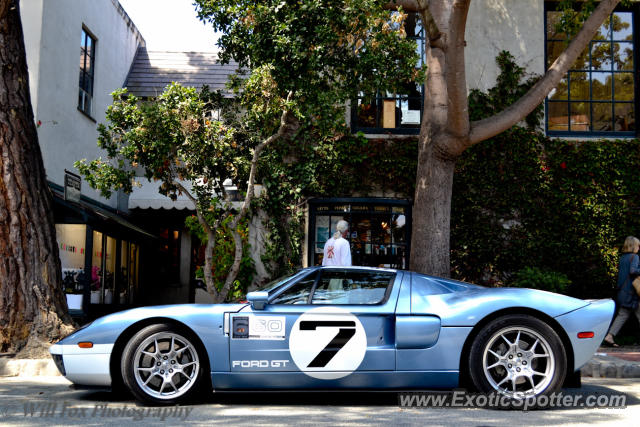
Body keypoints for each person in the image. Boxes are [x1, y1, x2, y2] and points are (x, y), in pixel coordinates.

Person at [604, 236, 640, 347]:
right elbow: (633, 271)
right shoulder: (635, 257)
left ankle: (609, 336)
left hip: (622, 292)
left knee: (623, 314)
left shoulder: (623, 258)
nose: (639, 247)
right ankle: (609, 336)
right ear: (633, 246)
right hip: (632, 292)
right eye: (638, 245)